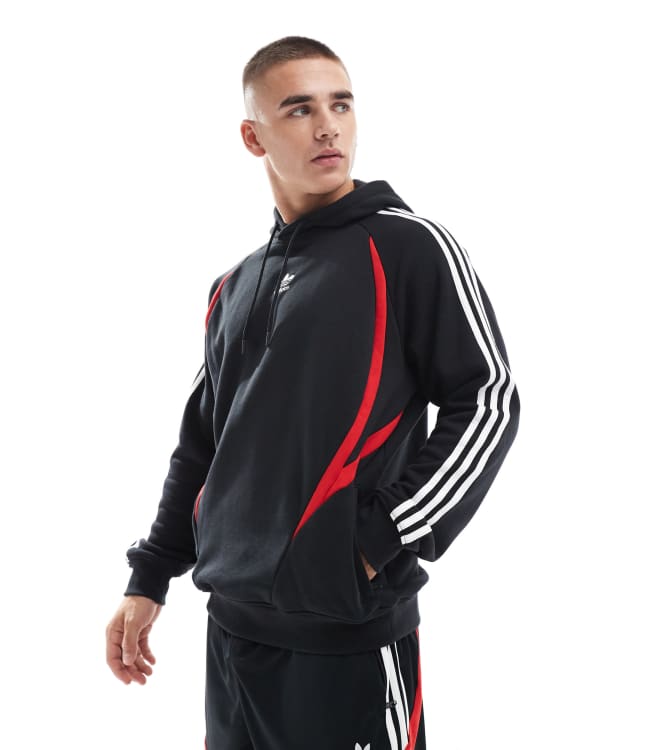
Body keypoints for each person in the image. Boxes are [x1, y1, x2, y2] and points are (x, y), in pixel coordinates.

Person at [105, 35, 520, 750]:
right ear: (253, 136)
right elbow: (203, 445)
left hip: (348, 643)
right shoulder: (234, 286)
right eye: (299, 109)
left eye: (341, 105)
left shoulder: (408, 247)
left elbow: (488, 399)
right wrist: (149, 578)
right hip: (232, 635)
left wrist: (378, 539)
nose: (328, 126)